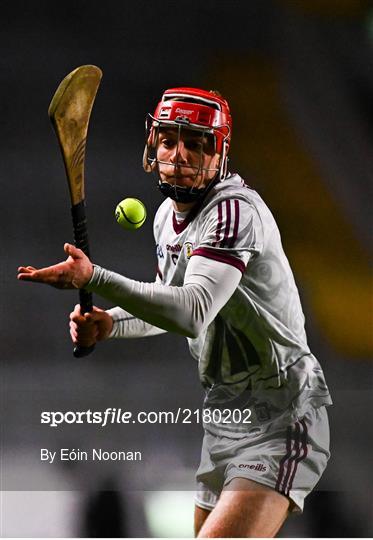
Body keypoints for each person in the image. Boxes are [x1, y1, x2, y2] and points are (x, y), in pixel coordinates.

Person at [18, 87, 332, 537]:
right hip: (225, 416)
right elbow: (169, 303)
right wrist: (111, 324)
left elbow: (191, 312)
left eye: (196, 143)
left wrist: (94, 278)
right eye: (169, 140)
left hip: (279, 416)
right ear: (153, 146)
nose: (179, 154)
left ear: (218, 153)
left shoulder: (232, 213)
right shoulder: (166, 217)